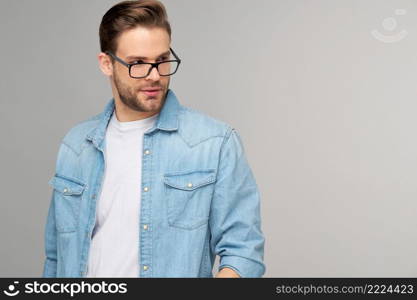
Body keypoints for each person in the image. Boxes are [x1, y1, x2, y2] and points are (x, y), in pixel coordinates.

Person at [42, 0, 265, 278]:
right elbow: (55, 259)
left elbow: (244, 253)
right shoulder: (75, 146)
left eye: (161, 61)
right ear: (107, 64)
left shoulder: (214, 143)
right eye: (137, 64)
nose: (155, 76)